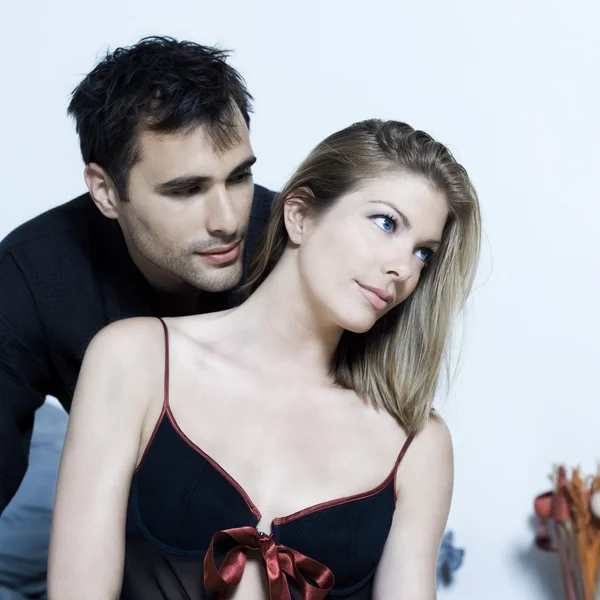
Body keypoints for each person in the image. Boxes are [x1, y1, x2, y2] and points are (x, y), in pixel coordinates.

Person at [48, 119, 482, 599]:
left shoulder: (417, 444)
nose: (402, 267)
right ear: (299, 214)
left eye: (423, 252)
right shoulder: (135, 359)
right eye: (385, 223)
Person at [0, 36, 275, 597]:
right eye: (186, 190)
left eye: (239, 177)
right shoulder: (33, 275)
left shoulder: (295, 247)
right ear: (105, 191)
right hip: (138, 554)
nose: (227, 220)